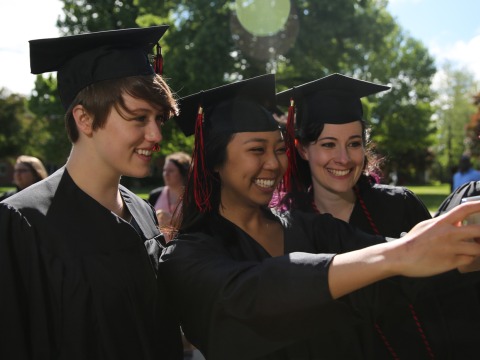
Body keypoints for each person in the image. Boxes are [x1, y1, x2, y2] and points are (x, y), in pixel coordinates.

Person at [159, 74, 480, 360]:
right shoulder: (187, 255)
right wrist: (400, 253)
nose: (273, 163)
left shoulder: (311, 229)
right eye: (257, 149)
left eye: (279, 149)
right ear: (214, 159)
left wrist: (455, 244)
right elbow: (251, 296)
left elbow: (391, 268)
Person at [0, 27, 183, 359]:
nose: (156, 134)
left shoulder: (142, 213)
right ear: (84, 118)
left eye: (159, 118)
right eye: (139, 118)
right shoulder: (23, 223)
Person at [276, 73, 443, 358]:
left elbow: (440, 295)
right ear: (302, 149)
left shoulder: (399, 206)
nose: (344, 158)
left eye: (353, 143)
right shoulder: (288, 230)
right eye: (328, 144)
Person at [148, 151, 191, 235]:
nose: (166, 174)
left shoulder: (194, 198)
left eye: (171, 171)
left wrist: (173, 222)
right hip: (159, 247)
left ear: (183, 173)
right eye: (164, 170)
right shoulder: (155, 195)